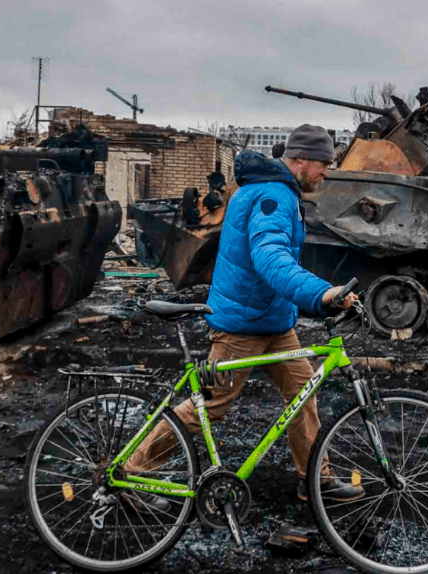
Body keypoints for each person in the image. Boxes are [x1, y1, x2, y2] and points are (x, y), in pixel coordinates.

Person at [124, 124, 364, 509]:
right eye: (323, 164)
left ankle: (315, 479)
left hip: (272, 321)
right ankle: (132, 474)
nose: (326, 172)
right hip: (242, 326)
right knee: (209, 407)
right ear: (301, 160)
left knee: (303, 396)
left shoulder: (269, 190)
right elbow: (270, 258)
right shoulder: (274, 195)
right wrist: (322, 293)